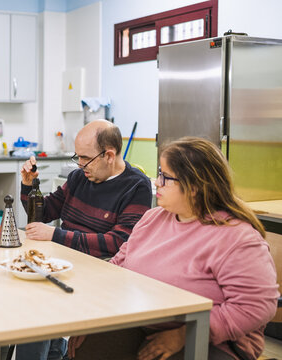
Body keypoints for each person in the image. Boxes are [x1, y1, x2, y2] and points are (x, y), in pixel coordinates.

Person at [67, 137, 279, 360]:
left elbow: (255, 308)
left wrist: (183, 335)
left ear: (194, 186)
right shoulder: (153, 218)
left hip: (217, 341)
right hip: (146, 324)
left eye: (165, 177)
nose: (156, 182)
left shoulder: (236, 237)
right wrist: (94, 318)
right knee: (89, 347)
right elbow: (117, 269)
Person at [16, 119, 153, 360]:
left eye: (85, 158)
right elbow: (45, 212)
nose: (80, 165)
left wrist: (56, 235)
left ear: (109, 155)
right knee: (26, 297)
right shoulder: (80, 177)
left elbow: (118, 242)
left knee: (37, 307)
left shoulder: (136, 186)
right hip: (64, 262)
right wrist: (29, 187)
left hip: (101, 273)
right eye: (76, 157)